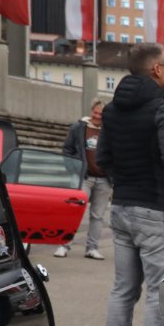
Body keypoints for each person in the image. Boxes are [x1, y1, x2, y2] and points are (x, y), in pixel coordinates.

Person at [97, 42, 164, 326]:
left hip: (122, 207)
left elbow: (102, 158)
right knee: (159, 291)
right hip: (156, 209)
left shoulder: (111, 111)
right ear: (156, 69)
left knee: (123, 289)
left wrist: (122, 183)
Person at [57, 99, 109, 259]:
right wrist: (74, 169)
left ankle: (92, 248)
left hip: (104, 180)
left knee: (97, 216)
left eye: (101, 114)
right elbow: (67, 149)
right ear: (91, 111)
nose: (97, 116)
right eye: (95, 112)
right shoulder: (78, 127)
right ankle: (64, 245)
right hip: (83, 177)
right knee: (74, 212)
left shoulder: (110, 130)